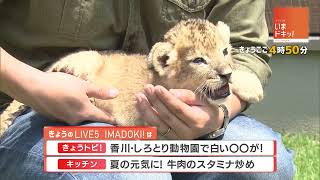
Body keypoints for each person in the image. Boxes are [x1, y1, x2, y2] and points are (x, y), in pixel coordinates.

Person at [0, 0, 294, 179]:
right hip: (40, 108)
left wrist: (218, 114)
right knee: (131, 172)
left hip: (191, 106)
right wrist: (34, 86)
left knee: (266, 164)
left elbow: (245, 48)